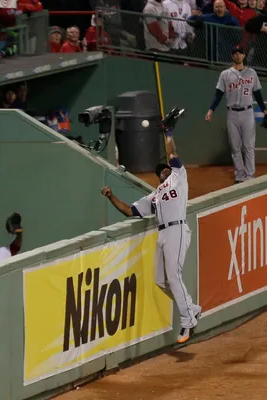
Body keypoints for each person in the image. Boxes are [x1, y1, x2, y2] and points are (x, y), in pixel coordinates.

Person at [101, 107, 201, 344]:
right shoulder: (154, 195)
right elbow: (129, 210)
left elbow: (172, 153)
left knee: (174, 277)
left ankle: (188, 321)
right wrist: (110, 196)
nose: (163, 172)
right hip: (163, 234)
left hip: (177, 229)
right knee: (161, 280)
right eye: (160, 172)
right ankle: (192, 307)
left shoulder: (179, 177)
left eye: (165, 169)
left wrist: (168, 134)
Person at [205, 45, 267, 184]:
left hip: (247, 113)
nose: (237, 55)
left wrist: (264, 110)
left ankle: (250, 176)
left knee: (248, 146)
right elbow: (218, 94)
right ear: (232, 56)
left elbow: (257, 93)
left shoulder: (252, 73)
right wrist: (211, 110)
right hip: (232, 114)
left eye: (240, 53)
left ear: (244, 55)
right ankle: (239, 176)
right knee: (235, 147)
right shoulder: (225, 74)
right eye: (235, 53)